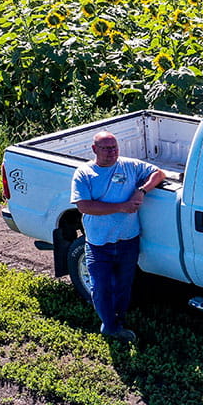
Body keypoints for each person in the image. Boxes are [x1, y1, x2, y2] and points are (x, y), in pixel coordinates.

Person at [70, 131, 166, 342]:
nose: (112, 152)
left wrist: (141, 190)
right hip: (98, 243)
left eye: (114, 147)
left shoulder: (129, 165)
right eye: (106, 148)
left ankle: (119, 321)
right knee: (100, 287)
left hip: (128, 240)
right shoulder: (84, 174)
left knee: (124, 285)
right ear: (94, 150)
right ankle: (109, 326)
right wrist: (121, 207)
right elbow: (84, 206)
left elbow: (159, 173)